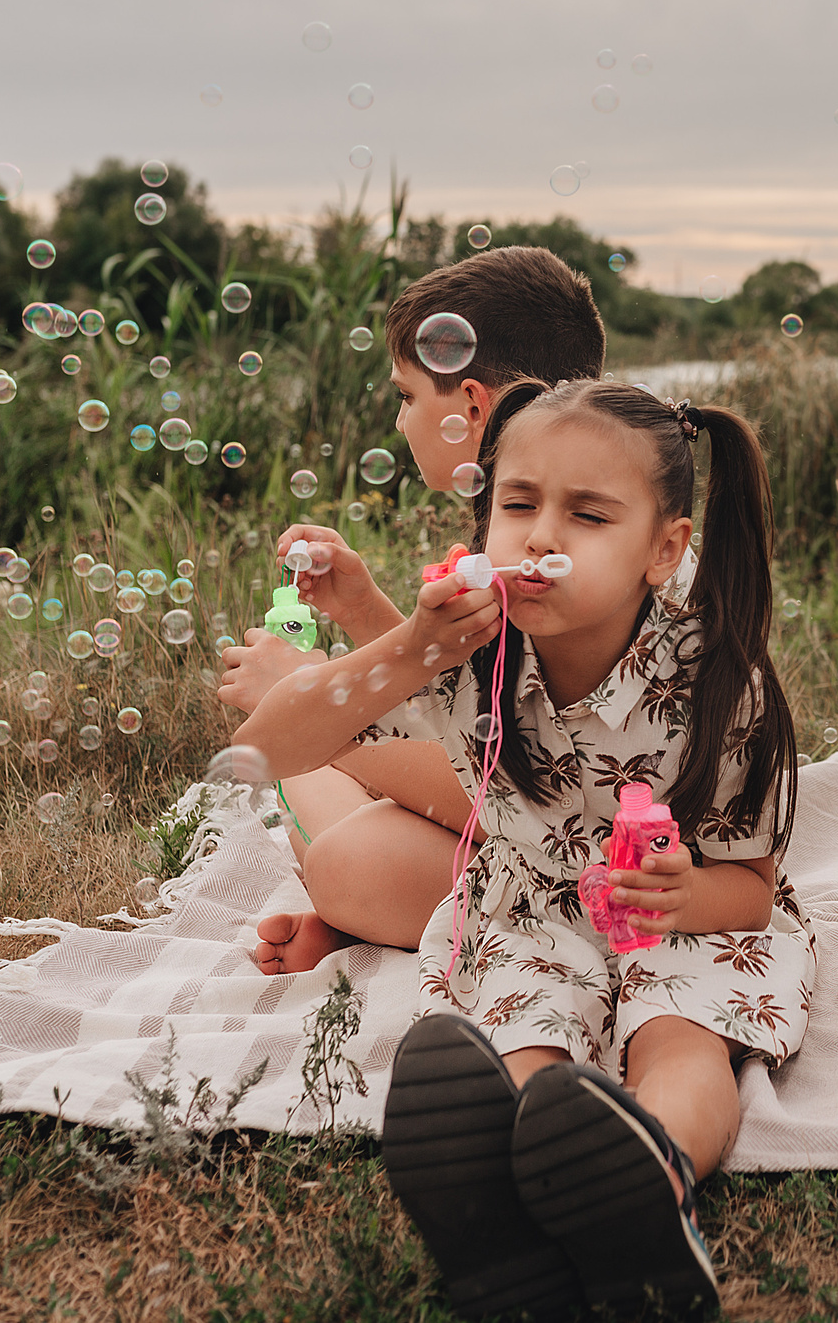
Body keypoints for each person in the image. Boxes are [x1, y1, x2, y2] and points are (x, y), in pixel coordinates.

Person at [231, 378, 809, 1318]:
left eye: (587, 515)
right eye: (518, 505)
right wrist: (402, 642)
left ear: (664, 551)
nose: (541, 537)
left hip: (683, 923)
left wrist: (680, 898)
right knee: (527, 1049)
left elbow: (749, 887)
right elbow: (272, 745)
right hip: (528, 912)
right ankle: (507, 1215)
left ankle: (649, 1179)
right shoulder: (467, 648)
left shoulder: (719, 681)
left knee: (680, 1040)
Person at [215, 246, 615, 973]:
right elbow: (471, 703)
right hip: (572, 835)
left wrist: (320, 699)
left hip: (574, 878)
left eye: (405, 396)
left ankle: (356, 916)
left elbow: (479, 789)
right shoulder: (597, 525)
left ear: (470, 407)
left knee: (342, 850)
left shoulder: (526, 565)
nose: (399, 422)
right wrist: (368, 611)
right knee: (351, 789)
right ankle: (360, 918)